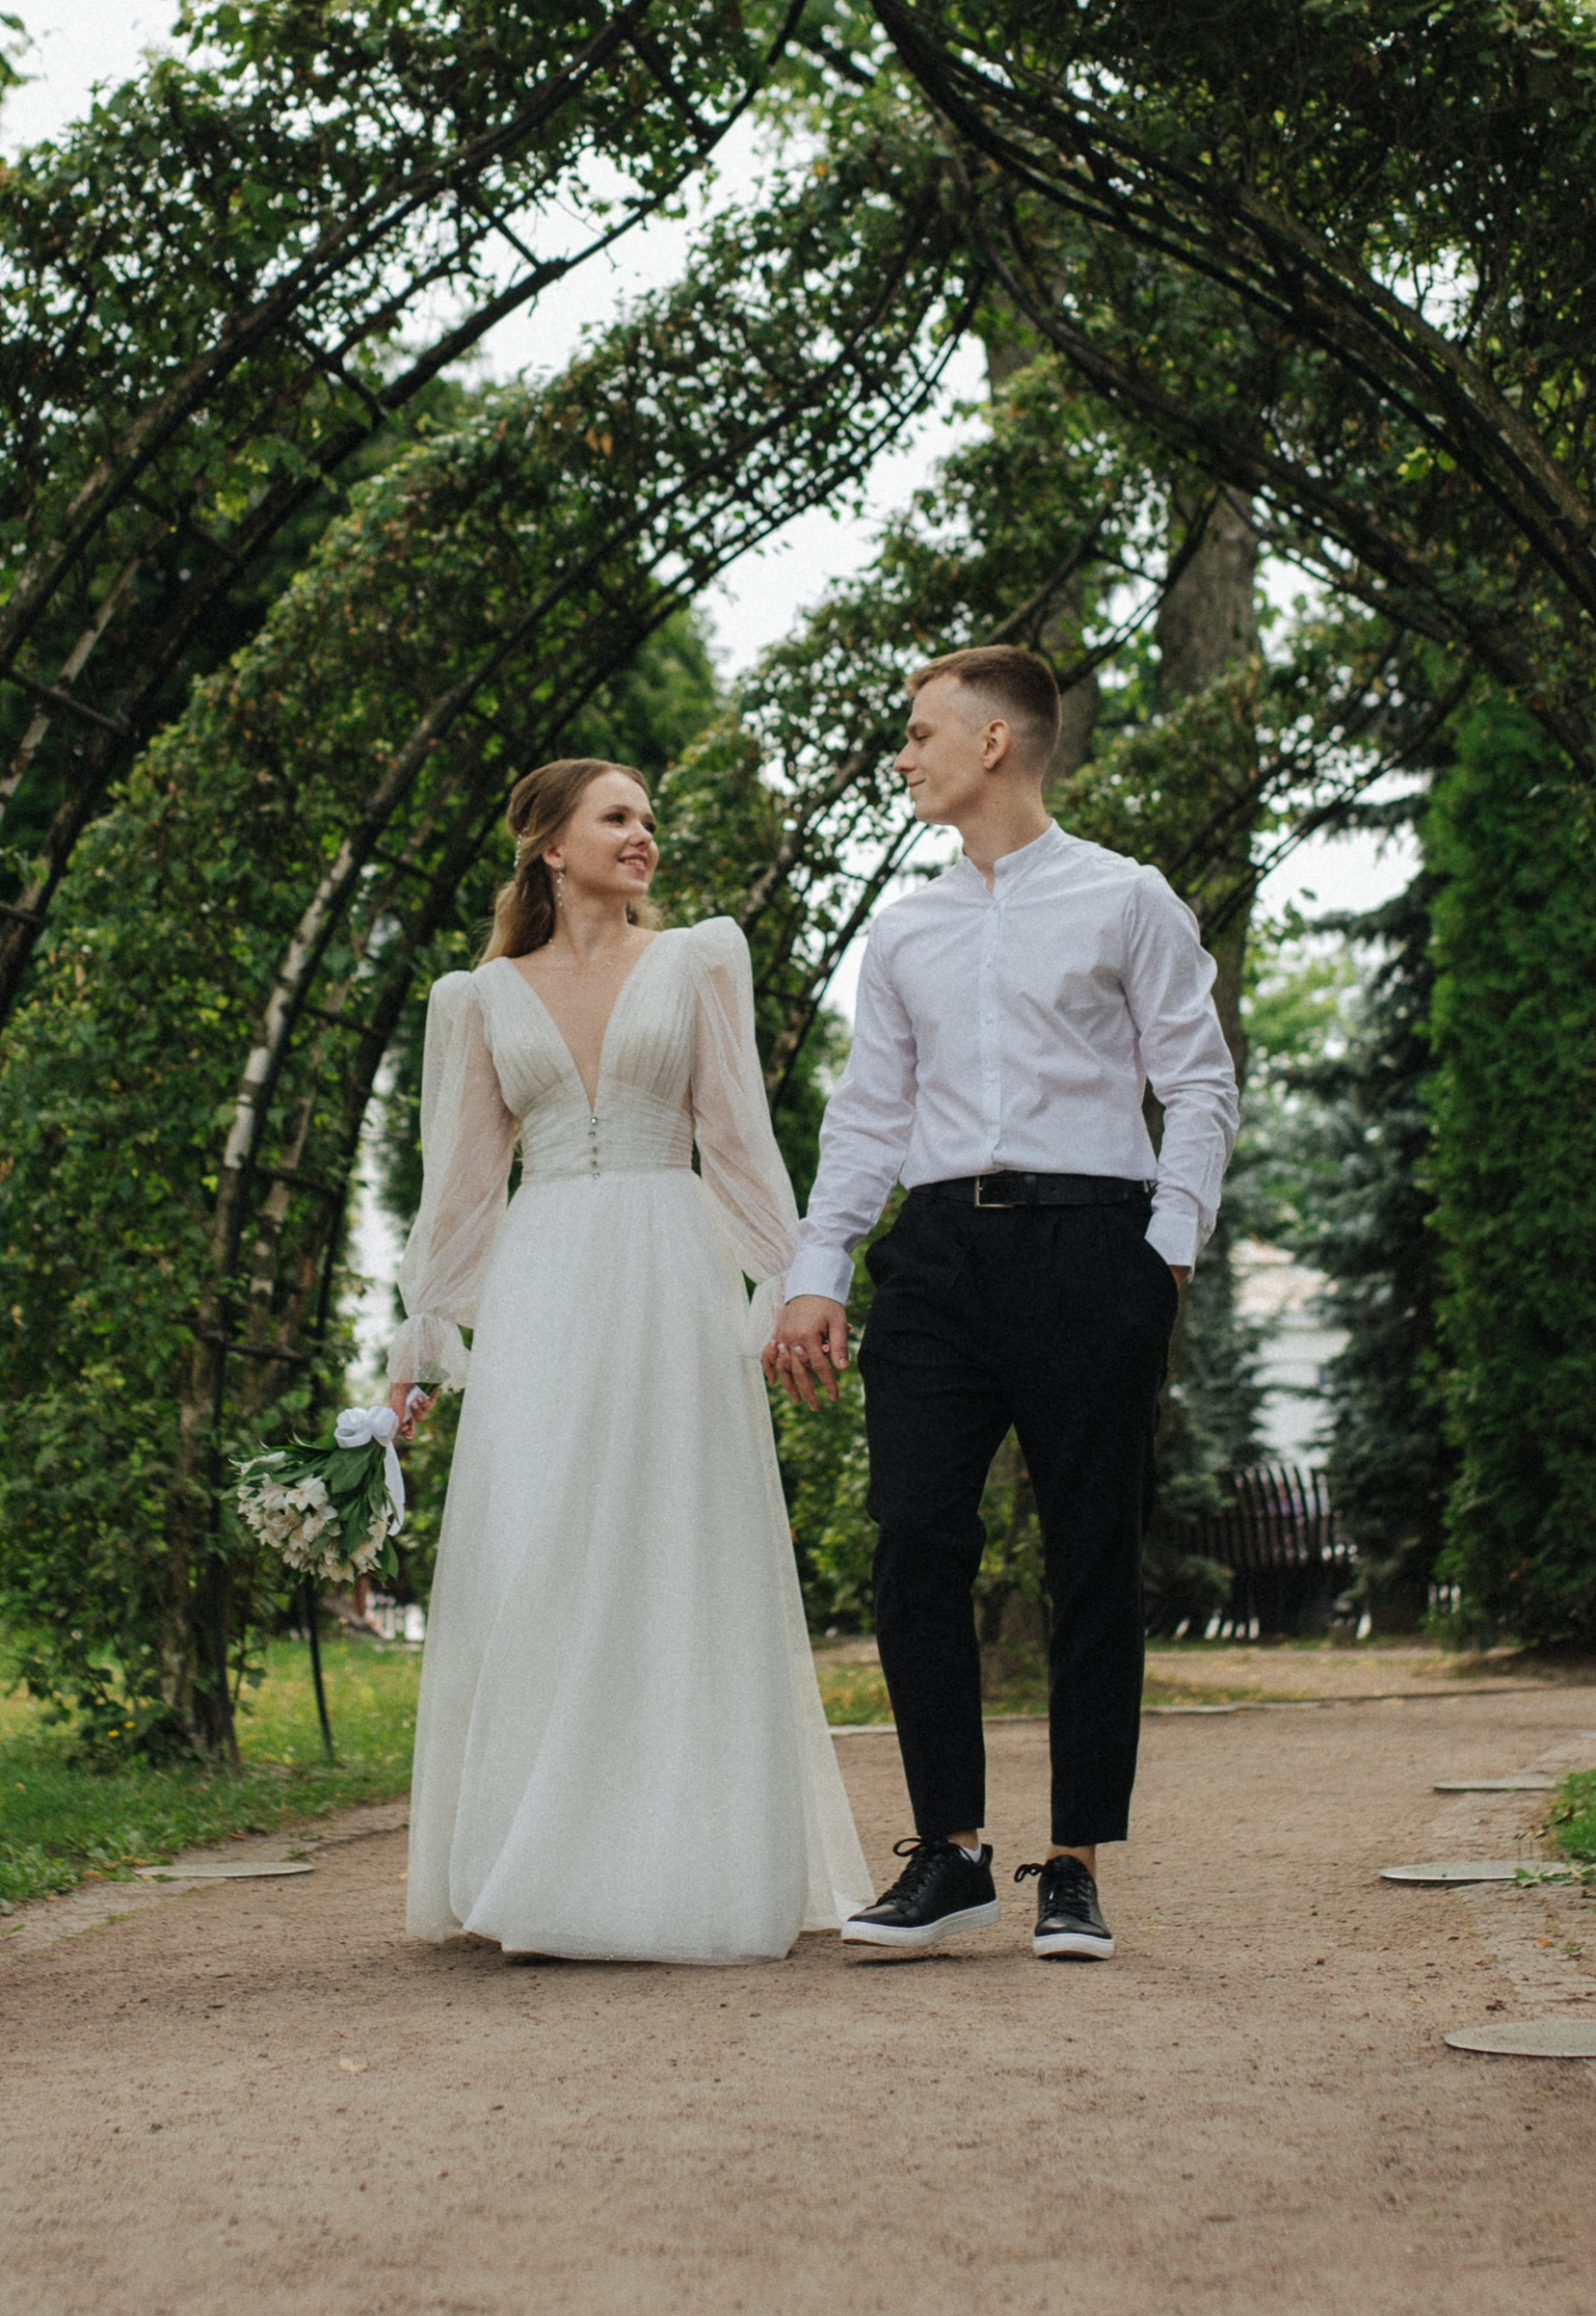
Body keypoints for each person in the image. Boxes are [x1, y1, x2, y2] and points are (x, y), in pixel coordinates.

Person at [768, 645, 1238, 1965]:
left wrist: (1167, 1245)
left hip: (1093, 1244)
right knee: (915, 1533)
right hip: (935, 1260)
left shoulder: (1125, 898)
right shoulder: (904, 926)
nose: (902, 755)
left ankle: (1075, 1865)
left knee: (1092, 1551)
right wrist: (822, 1269)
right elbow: (867, 1113)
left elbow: (1198, 1081)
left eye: (920, 733)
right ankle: (952, 1852)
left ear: (995, 743)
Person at [388, 757, 867, 1963]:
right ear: (550, 844)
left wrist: (787, 1283)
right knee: (540, 1546)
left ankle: (679, 1855)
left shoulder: (696, 961)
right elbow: (460, 1182)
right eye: (618, 816)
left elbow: (739, 1136)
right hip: (544, 1280)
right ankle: (534, 1855)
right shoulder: (480, 995)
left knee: (673, 1542)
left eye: (649, 817)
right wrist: (422, 1342)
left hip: (670, 1266)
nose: (643, 834)